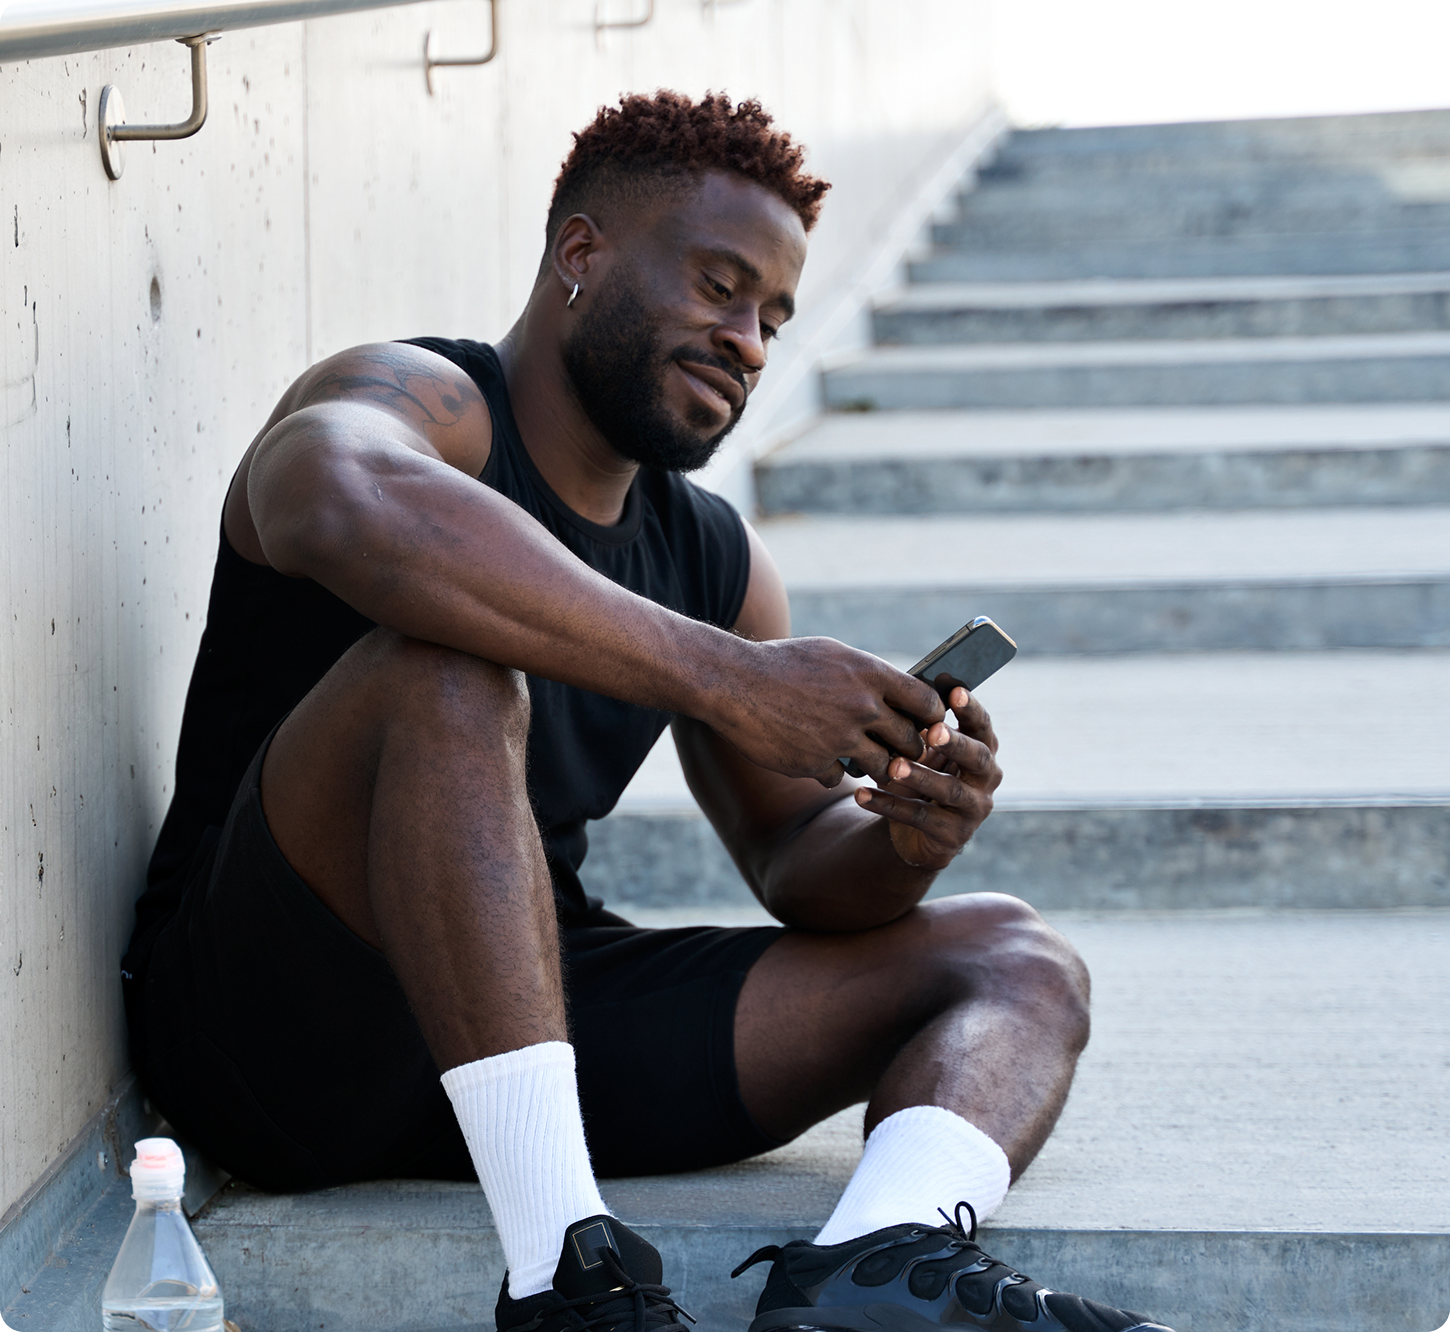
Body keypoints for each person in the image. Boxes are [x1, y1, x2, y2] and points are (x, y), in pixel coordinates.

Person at [120, 91, 1177, 1332]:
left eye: (773, 318)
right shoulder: (421, 401)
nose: (749, 341)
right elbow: (330, 495)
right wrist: (729, 677)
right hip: (277, 1026)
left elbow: (798, 863)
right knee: (444, 671)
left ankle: (874, 1268)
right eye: (719, 287)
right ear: (582, 254)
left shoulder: (716, 561)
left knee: (1012, 956)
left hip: (525, 1007)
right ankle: (568, 1278)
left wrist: (904, 836)